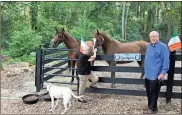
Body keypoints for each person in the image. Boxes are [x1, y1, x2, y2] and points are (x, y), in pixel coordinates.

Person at [143, 31, 170, 114]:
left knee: (154, 92)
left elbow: (166, 61)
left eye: (154, 36)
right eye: (151, 37)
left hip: (156, 74)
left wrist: (162, 73)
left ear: (158, 37)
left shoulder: (163, 47)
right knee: (149, 91)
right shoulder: (149, 46)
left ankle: (153, 109)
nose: (152, 38)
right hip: (148, 74)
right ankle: (150, 106)